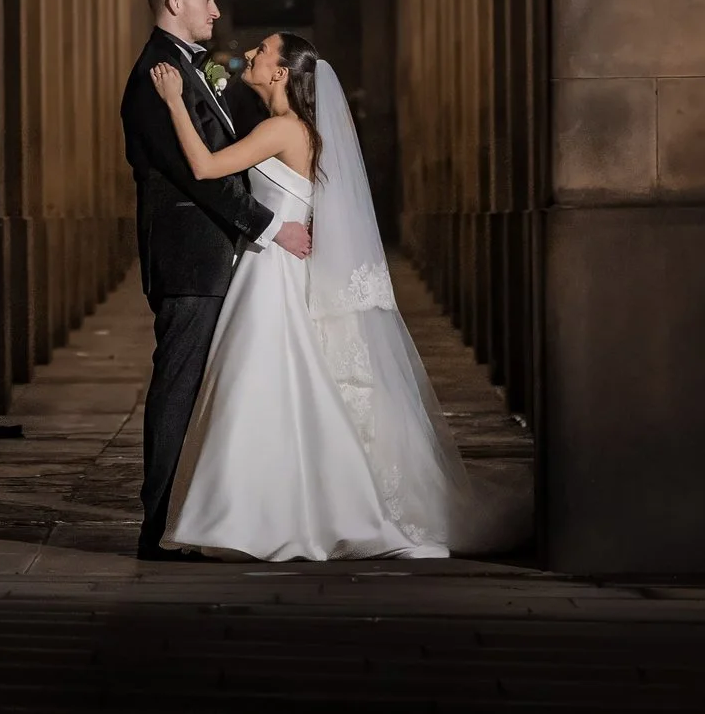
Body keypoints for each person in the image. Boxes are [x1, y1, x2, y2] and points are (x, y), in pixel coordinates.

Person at [149, 30, 511, 560]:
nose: (249, 54)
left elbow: (204, 168)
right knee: (281, 388)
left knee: (261, 384)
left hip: (272, 273)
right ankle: (274, 509)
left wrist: (175, 101)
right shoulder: (299, 130)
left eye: (262, 51)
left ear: (280, 73)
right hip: (277, 266)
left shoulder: (280, 129)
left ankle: (254, 514)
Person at [117, 0, 311, 561]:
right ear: (175, 3)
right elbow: (195, 175)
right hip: (188, 258)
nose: (217, 10)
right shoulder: (157, 74)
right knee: (178, 385)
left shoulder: (184, 71)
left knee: (200, 386)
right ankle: (160, 527)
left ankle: (194, 512)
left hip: (211, 256)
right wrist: (269, 225)